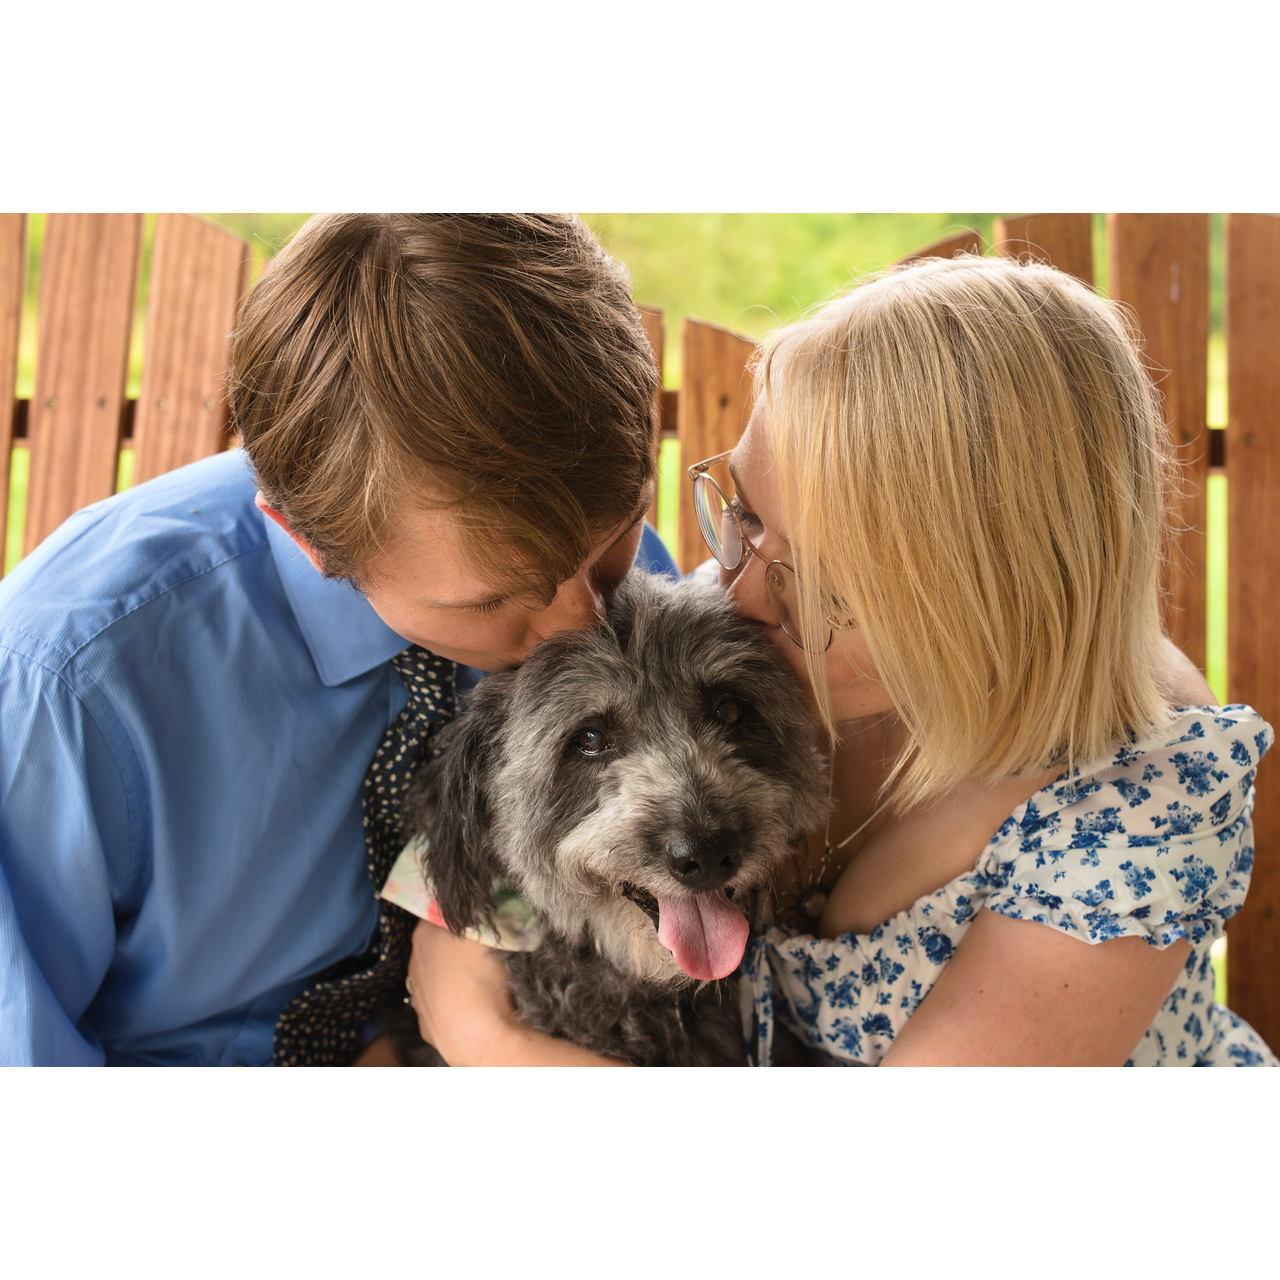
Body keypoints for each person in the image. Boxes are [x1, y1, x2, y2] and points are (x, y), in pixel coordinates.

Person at [415, 253, 1276, 1066]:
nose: (736, 596)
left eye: (815, 586)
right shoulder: (768, 643)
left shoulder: (1125, 822)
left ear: (971, 614)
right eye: (742, 516)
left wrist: (489, 1043)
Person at [0, 213, 676, 1066]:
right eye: (497, 600)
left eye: (617, 537)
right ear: (306, 538)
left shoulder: (611, 579)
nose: (587, 623)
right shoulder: (67, 686)